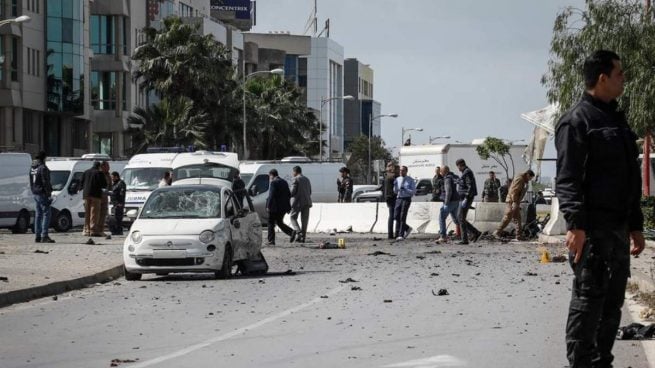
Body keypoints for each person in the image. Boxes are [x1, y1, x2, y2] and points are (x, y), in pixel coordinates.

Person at [556, 50, 644, 368]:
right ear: (603, 78)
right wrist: (575, 226)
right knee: (588, 302)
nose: (624, 79)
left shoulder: (617, 121)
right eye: (619, 74)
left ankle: (601, 362)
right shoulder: (577, 121)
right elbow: (568, 178)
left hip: (618, 231)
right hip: (592, 232)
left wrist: (635, 225)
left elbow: (630, 178)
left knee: (611, 307)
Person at [493, 170, 535, 240]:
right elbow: (514, 191)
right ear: (527, 175)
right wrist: (515, 202)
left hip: (514, 201)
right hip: (512, 201)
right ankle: (497, 232)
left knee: (517, 218)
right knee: (507, 217)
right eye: (530, 178)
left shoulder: (522, 179)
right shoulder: (520, 179)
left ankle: (519, 236)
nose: (530, 180)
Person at [29, 151, 55, 243]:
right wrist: (48, 193)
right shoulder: (43, 168)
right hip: (42, 193)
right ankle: (44, 235)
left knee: (38, 215)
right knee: (47, 213)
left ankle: (37, 235)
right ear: (43, 158)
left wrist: (33, 190)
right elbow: (45, 181)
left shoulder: (32, 168)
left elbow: (31, 181)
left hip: (35, 193)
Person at [455, 159, 481, 244]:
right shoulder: (465, 172)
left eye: (458, 166)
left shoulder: (467, 172)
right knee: (460, 218)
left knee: (460, 217)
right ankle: (474, 233)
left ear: (459, 165)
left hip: (466, 198)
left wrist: (466, 198)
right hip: (464, 198)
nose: (458, 169)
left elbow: (469, 185)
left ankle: (467, 238)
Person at [266, 169, 294, 245]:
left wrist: (268, 205)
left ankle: (271, 240)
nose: (270, 178)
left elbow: (271, 195)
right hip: (283, 207)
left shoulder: (273, 183)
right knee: (279, 222)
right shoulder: (284, 182)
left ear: (272, 175)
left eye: (270, 176)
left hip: (274, 207)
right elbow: (289, 194)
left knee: (270, 223)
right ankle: (291, 232)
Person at [80, 161, 106, 237]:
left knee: (87, 213)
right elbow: (104, 184)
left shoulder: (86, 172)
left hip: (86, 195)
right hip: (95, 195)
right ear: (99, 166)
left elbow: (81, 183)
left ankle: (86, 230)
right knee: (94, 213)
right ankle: (93, 230)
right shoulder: (99, 173)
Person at [437, 166, 460, 243]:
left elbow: (448, 191)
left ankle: (443, 236)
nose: (440, 173)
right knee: (456, 219)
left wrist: (446, 202)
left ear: (444, 171)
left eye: (441, 171)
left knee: (441, 217)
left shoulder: (447, 178)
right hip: (456, 200)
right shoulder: (454, 177)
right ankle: (470, 232)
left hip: (449, 201)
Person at [289, 166, 312, 243]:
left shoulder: (296, 179)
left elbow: (292, 191)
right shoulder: (307, 179)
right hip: (307, 202)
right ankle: (303, 238)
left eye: (293, 172)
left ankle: (298, 232)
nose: (292, 173)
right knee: (304, 221)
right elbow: (310, 191)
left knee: (293, 218)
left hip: (298, 202)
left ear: (295, 171)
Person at [393, 165, 416, 241]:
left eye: (403, 170)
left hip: (406, 199)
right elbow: (395, 191)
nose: (401, 172)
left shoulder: (410, 180)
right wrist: (395, 186)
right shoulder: (398, 179)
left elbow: (413, 192)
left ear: (406, 171)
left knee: (403, 216)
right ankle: (407, 228)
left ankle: (401, 235)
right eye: (400, 170)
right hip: (399, 198)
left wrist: (405, 189)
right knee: (396, 216)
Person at [383, 162, 399, 239]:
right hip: (392, 197)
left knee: (391, 216)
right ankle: (397, 232)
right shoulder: (392, 176)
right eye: (390, 166)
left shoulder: (386, 176)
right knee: (394, 216)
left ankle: (390, 234)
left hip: (388, 197)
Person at [108, 171, 126, 235]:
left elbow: (121, 193)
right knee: (115, 217)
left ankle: (119, 231)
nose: (112, 179)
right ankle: (116, 231)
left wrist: (120, 202)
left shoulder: (120, 183)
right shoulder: (115, 183)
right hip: (115, 203)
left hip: (119, 203)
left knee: (118, 218)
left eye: (112, 177)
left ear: (116, 177)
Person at [98, 161, 112, 236]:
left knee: (103, 214)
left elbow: (110, 186)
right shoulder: (99, 174)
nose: (109, 168)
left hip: (105, 197)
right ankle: (96, 229)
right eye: (107, 166)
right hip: (98, 197)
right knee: (97, 214)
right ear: (102, 166)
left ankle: (101, 229)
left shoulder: (108, 175)